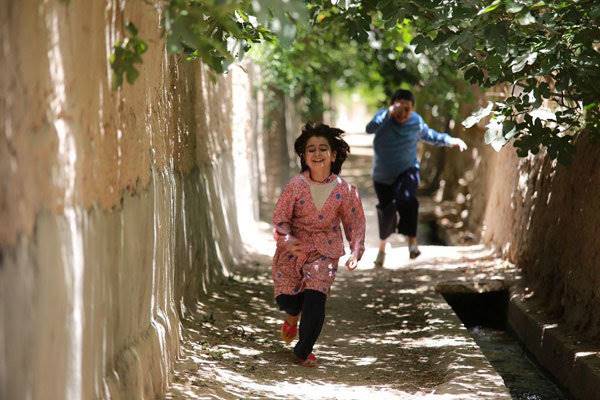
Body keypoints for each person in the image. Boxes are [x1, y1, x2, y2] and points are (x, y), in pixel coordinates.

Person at [272, 123, 366, 367]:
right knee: (288, 301)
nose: (317, 153)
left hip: (325, 251)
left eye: (323, 149)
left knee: (316, 298)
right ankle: (292, 316)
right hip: (293, 251)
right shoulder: (294, 186)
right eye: (311, 149)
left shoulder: (345, 191)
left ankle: (303, 350)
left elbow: (354, 223)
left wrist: (356, 251)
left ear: (333, 155)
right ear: (304, 156)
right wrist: (287, 240)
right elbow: (281, 220)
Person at [366, 89, 467, 267]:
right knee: (387, 210)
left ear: (412, 109)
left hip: (407, 169)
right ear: (392, 106)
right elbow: (370, 128)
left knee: (408, 200)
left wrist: (451, 140)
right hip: (383, 174)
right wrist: (388, 113)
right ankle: (382, 247)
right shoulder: (383, 117)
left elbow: (431, 136)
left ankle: (412, 241)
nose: (403, 114)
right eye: (400, 108)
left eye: (408, 109)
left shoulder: (415, 121)